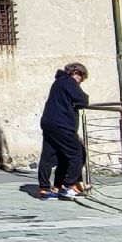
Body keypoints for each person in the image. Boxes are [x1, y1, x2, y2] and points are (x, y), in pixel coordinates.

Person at [40, 62, 91, 199]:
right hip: (61, 124)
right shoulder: (68, 81)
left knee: (51, 155)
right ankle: (67, 186)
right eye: (81, 79)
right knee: (77, 153)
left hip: (49, 123)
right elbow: (83, 100)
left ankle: (46, 188)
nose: (80, 82)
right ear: (76, 73)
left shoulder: (58, 82)